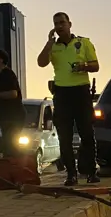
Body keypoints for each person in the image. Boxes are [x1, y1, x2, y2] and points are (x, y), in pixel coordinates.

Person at [37, 12, 100, 186]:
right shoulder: (53, 47)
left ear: (70, 24)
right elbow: (41, 62)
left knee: (86, 132)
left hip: (81, 92)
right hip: (62, 94)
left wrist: (83, 66)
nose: (60, 26)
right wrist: (49, 42)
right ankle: (70, 174)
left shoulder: (83, 43)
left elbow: (96, 65)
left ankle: (90, 170)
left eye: (62, 22)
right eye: (56, 23)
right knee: (64, 136)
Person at [0, 50, 25, 158]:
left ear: (1, 60)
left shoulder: (7, 74)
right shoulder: (1, 75)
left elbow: (13, 93)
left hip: (13, 118)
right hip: (7, 118)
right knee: (8, 147)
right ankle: (11, 170)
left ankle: (16, 170)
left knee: (11, 147)